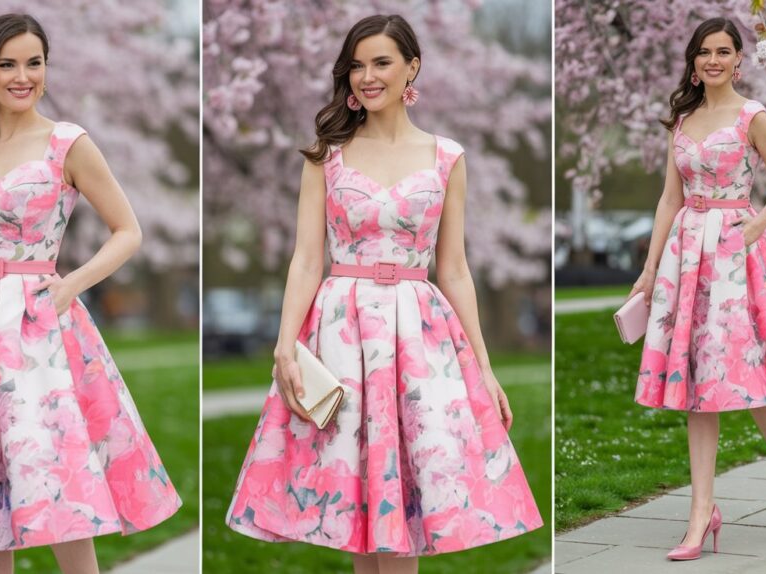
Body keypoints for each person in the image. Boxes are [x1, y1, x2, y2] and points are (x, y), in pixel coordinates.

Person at [225, 13, 542, 574]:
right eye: (356, 66)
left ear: (411, 67)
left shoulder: (448, 157)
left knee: (403, 513)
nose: (366, 77)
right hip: (341, 333)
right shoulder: (326, 155)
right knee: (358, 511)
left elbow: (457, 270)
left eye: (381, 63)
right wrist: (284, 347)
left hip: (419, 338)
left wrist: (485, 369)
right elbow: (305, 259)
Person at [0, 13, 181, 573]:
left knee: (62, 485)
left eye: (34, 62)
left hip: (38, 329)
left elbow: (129, 230)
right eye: (8, 64)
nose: (23, 76)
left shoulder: (67, 143)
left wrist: (70, 285)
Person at [627, 17, 766, 561]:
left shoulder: (753, 116)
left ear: (739, 59)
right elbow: (667, 199)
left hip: (737, 253)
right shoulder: (682, 119)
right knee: (699, 382)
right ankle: (701, 513)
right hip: (687, 257)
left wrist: (756, 224)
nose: (714, 60)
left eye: (724, 51)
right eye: (705, 52)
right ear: (694, 61)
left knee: (753, 376)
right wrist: (651, 268)